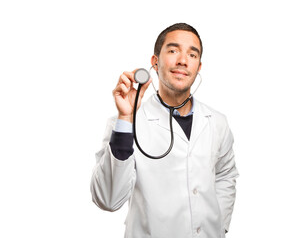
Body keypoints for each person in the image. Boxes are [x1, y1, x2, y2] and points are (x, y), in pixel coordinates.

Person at [90, 23, 239, 238]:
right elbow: (108, 200)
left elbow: (226, 174)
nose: (183, 60)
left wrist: (220, 225)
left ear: (199, 67)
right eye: (173, 50)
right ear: (155, 61)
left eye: (192, 54)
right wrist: (125, 118)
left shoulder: (217, 122)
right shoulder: (125, 124)